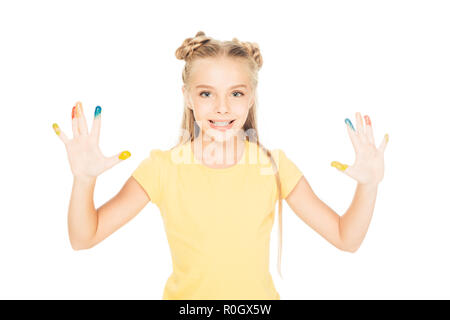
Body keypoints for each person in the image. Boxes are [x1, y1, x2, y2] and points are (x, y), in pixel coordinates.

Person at [52, 31, 389, 300]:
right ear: (187, 96)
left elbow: (347, 238)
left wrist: (369, 184)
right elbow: (84, 237)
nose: (223, 108)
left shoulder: (273, 167)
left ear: (252, 96)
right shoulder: (162, 168)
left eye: (237, 94)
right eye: (206, 94)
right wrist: (83, 180)